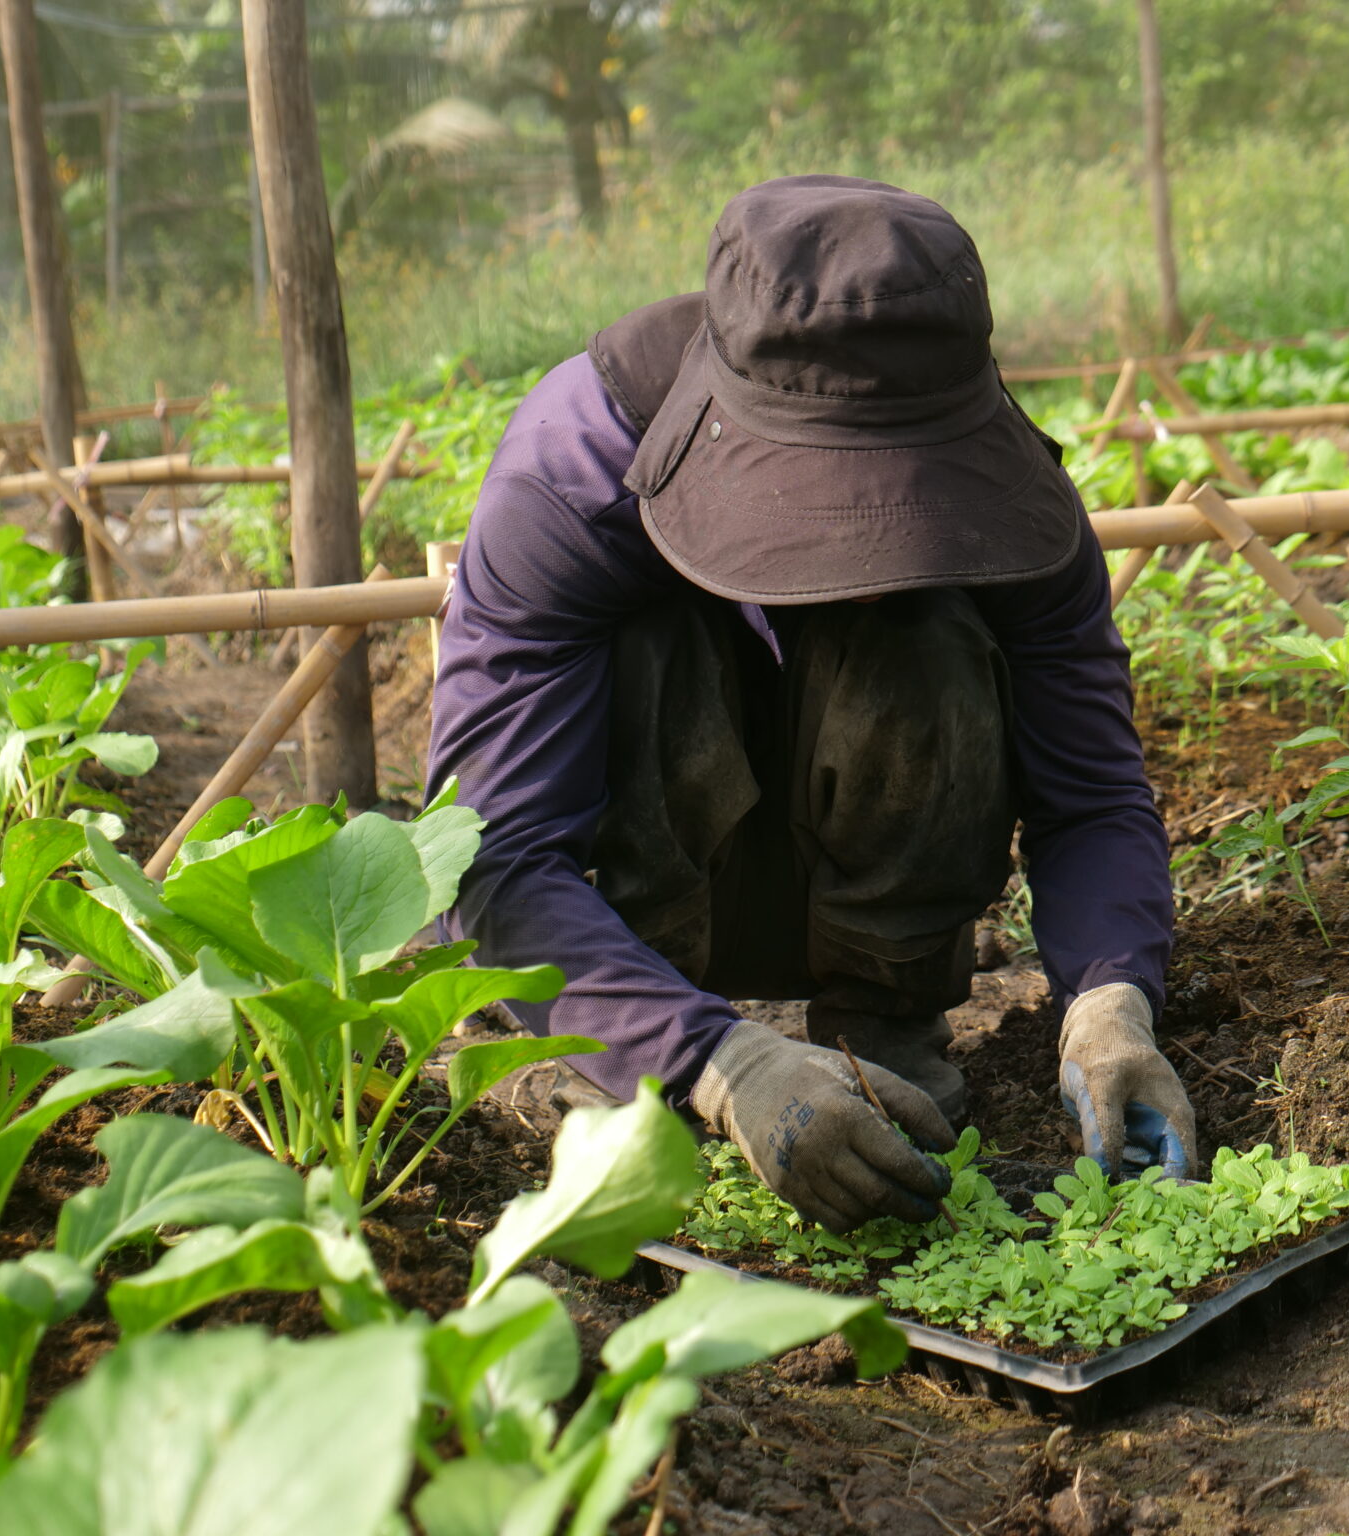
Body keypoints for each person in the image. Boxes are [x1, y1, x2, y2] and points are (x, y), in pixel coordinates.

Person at [427, 174, 1195, 1233]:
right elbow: (496, 856)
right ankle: (624, 1059)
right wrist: (720, 1058)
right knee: (652, 644)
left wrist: (1112, 1000)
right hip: (632, 915)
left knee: (923, 626)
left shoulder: (1017, 499)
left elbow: (1093, 794)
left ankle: (881, 1033)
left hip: (862, 886)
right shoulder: (571, 480)